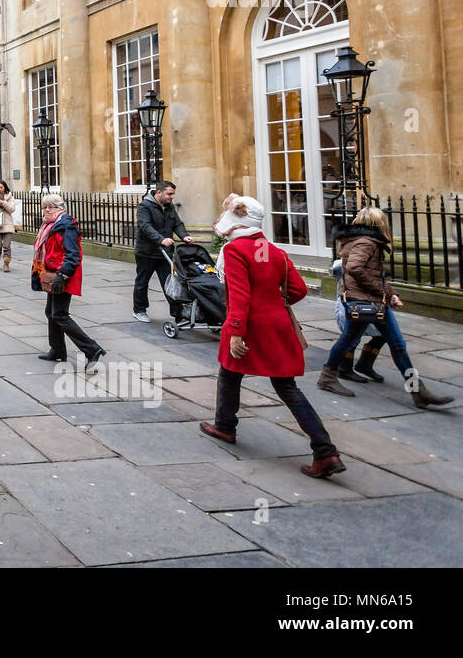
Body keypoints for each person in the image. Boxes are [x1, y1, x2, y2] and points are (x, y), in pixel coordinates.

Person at [199, 195, 347, 478]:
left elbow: (240, 296)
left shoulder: (234, 250)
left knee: (229, 373)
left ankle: (225, 426)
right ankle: (325, 451)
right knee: (287, 387)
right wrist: (274, 303)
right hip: (277, 325)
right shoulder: (274, 250)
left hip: (247, 325)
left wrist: (237, 332)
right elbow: (299, 290)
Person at [318, 206, 453, 408]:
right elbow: (354, 268)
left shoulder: (361, 241)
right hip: (365, 301)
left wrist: (391, 294)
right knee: (351, 340)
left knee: (394, 344)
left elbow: (373, 275)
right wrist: (382, 292)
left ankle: (417, 390)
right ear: (378, 224)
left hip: (371, 300)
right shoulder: (366, 242)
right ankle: (327, 378)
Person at [32, 194, 105, 370]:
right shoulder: (52, 225)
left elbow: (73, 254)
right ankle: (57, 350)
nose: (47, 210)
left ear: (61, 208)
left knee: (59, 314)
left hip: (62, 275)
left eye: (52, 207)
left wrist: (63, 275)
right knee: (51, 312)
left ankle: (92, 349)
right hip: (53, 273)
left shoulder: (66, 226)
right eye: (45, 207)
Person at [133, 180, 193, 323]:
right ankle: (139, 310)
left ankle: (178, 314)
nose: (172, 197)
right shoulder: (144, 207)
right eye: (169, 194)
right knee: (142, 282)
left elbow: (177, 223)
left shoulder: (169, 207)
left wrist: (184, 236)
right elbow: (145, 226)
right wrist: (160, 239)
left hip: (165, 252)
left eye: (173, 194)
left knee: (170, 283)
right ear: (159, 192)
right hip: (146, 252)